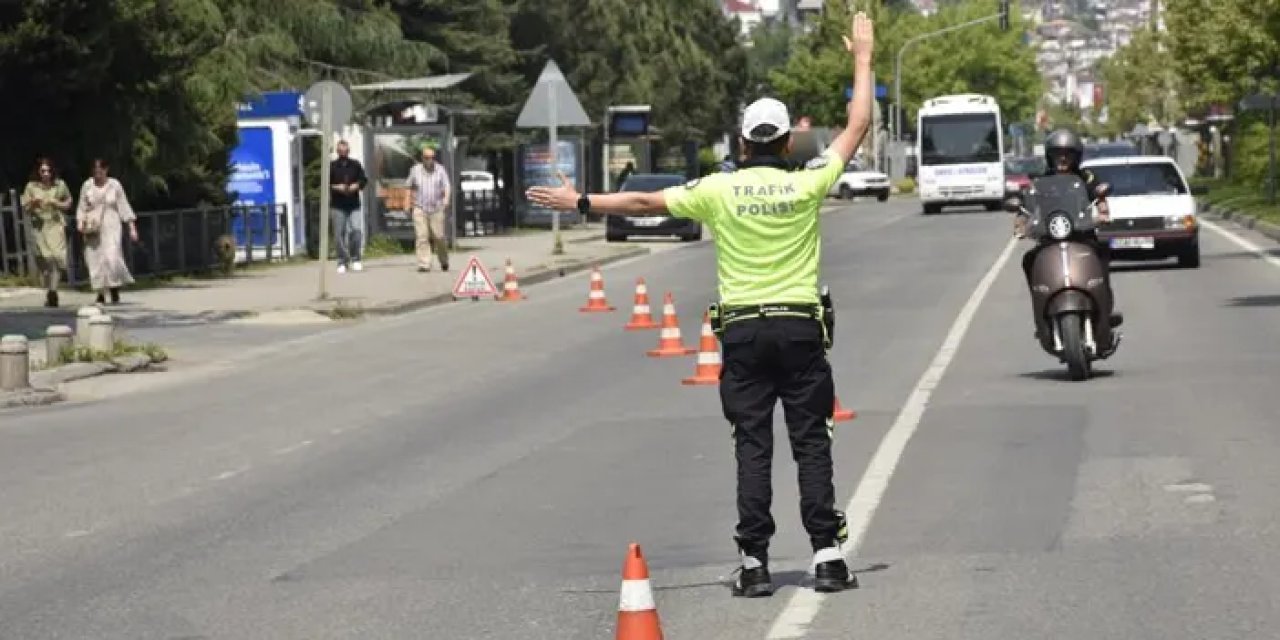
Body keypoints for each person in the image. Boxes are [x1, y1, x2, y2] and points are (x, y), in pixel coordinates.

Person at [526, 12, 878, 599]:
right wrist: (862, 59)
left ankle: (756, 564)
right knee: (811, 440)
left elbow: (642, 200)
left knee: (753, 444)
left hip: (742, 333)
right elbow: (859, 122)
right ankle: (828, 556)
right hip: (800, 330)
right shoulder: (806, 182)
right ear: (788, 142)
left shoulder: (718, 189)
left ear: (742, 143)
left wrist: (581, 199)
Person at [1017, 128, 1123, 334]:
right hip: (1050, 238)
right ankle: (1041, 309)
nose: (1063, 158)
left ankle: (1105, 307)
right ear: (1050, 156)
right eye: (1058, 154)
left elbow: (1100, 196)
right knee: (1029, 260)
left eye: (1068, 154)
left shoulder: (1086, 177)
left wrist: (1103, 213)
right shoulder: (1039, 180)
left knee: (1101, 254)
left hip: (1082, 236)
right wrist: (1021, 223)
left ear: (1076, 156)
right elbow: (1025, 206)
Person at [77, 158, 138, 305]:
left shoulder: (114, 185)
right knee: (95, 259)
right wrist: (80, 222)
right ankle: (100, 292)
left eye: (101, 171)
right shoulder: (87, 185)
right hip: (93, 226)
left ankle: (114, 286)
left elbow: (123, 205)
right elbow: (82, 206)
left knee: (112, 257)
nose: (98, 174)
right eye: (95, 171)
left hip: (111, 224)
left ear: (106, 170)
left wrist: (131, 227)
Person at [20, 157, 73, 307]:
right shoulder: (31, 186)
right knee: (44, 259)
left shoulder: (60, 184)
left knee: (56, 257)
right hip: (40, 227)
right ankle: (49, 287)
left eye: (48, 170)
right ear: (38, 171)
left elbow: (69, 202)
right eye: (43, 171)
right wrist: (33, 203)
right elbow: (25, 208)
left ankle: (53, 292)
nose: (46, 174)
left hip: (55, 224)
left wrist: (58, 203)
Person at [406, 145, 450, 272]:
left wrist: (446, 199)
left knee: (439, 236)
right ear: (422, 158)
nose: (429, 160)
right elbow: (409, 186)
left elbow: (447, 186)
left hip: (436, 207)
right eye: (426, 158)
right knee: (422, 236)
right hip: (420, 207)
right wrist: (407, 202)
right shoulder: (415, 170)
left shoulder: (440, 170)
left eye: (432, 158)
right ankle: (424, 264)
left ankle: (444, 260)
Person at [330, 139, 369, 274]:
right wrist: (337, 187)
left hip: (353, 204)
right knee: (339, 234)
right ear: (337, 151)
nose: (343, 153)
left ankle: (356, 258)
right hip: (338, 204)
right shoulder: (332, 166)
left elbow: (364, 180)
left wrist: (356, 186)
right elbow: (326, 184)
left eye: (345, 150)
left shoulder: (355, 165)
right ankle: (342, 261)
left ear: (349, 150)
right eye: (340, 151)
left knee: (356, 230)